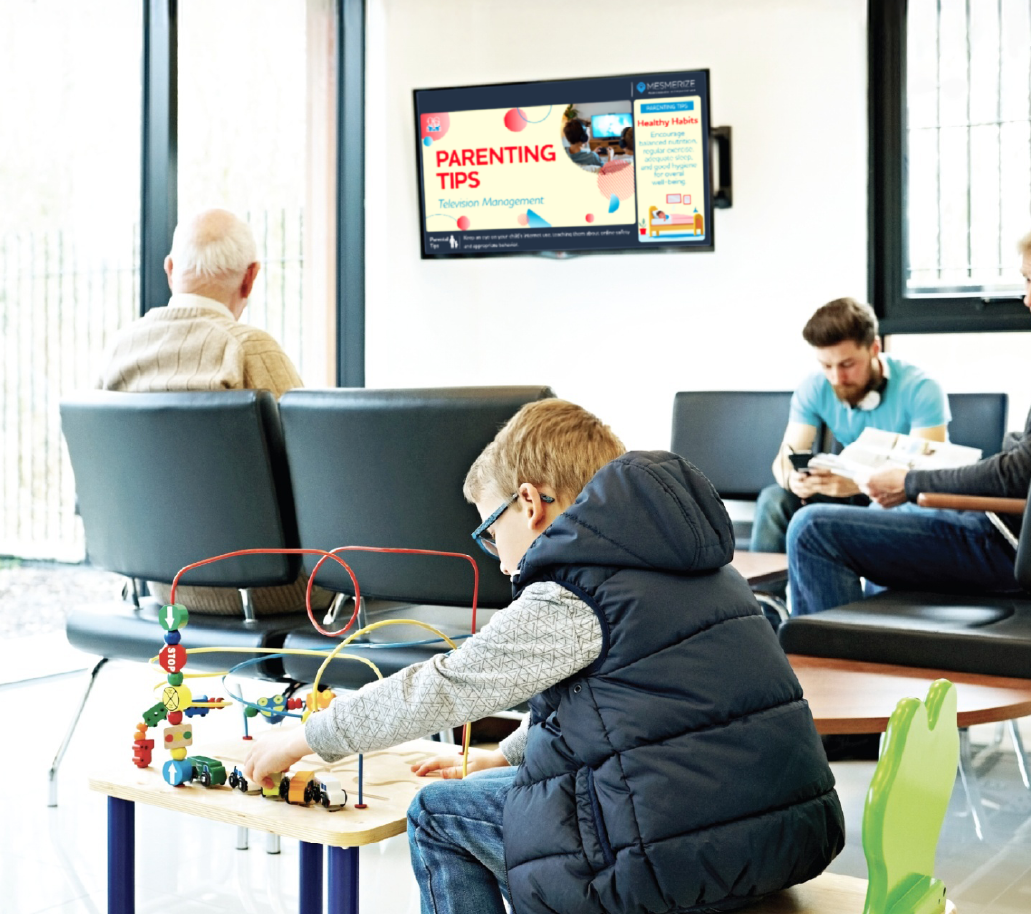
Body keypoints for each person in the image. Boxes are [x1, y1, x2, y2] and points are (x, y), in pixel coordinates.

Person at [242, 399, 844, 914]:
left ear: (529, 504)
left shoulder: (575, 590)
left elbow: (444, 685)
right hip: (778, 840)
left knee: (435, 814)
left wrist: (302, 739)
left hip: (673, 859)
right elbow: (622, 713)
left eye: (489, 532)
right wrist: (499, 757)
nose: (499, 560)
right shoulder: (704, 568)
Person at [786, 206, 1031, 617]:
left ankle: (839, 668)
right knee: (901, 509)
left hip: (1020, 552)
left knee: (812, 529)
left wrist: (909, 480)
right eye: (1028, 280)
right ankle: (877, 647)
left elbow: (1023, 475)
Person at [97, 207, 309, 615]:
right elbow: (315, 481)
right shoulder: (249, 349)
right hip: (272, 593)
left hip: (163, 589)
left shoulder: (120, 351)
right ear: (250, 277)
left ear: (171, 269)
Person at [750, 297, 950, 553]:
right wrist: (793, 480)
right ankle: (764, 595)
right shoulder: (814, 387)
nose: (837, 377)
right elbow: (784, 459)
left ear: (874, 348)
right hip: (848, 488)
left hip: (903, 494)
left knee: (884, 508)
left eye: (847, 365)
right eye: (826, 366)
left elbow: (923, 474)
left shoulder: (921, 388)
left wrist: (857, 483)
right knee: (774, 500)